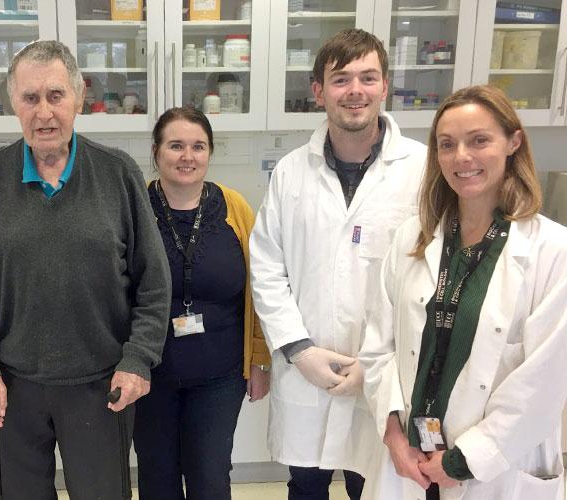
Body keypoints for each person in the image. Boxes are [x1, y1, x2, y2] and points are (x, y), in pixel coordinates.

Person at [0, 40, 171, 500]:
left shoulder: (117, 172)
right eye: (31, 98)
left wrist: (137, 360)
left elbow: (153, 279)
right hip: (13, 385)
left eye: (56, 95)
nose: (44, 112)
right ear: (14, 103)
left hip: (100, 382)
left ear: (79, 96)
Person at [360, 84, 567, 500]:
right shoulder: (413, 239)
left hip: (494, 469)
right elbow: (378, 347)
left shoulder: (552, 251)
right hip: (410, 463)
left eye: (479, 141)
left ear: (514, 142)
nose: (462, 157)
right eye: (447, 144)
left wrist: (465, 461)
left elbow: (543, 382)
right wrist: (393, 434)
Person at [248, 28, 427, 499]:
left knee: (372, 485)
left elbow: (429, 272)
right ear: (319, 92)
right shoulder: (290, 172)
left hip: (386, 373)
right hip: (307, 375)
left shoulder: (422, 169)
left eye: (367, 78)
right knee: (305, 486)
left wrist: (376, 362)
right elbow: (267, 267)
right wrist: (298, 350)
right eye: (341, 79)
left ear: (384, 86)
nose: (355, 91)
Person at [132, 108, 272, 500]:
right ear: (157, 151)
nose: (187, 156)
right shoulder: (134, 207)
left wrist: (259, 360)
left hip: (220, 375)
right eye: (176, 145)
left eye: (198, 146)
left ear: (210, 152)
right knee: (157, 478)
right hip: (148, 375)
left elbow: (260, 288)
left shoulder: (234, 208)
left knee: (210, 477)